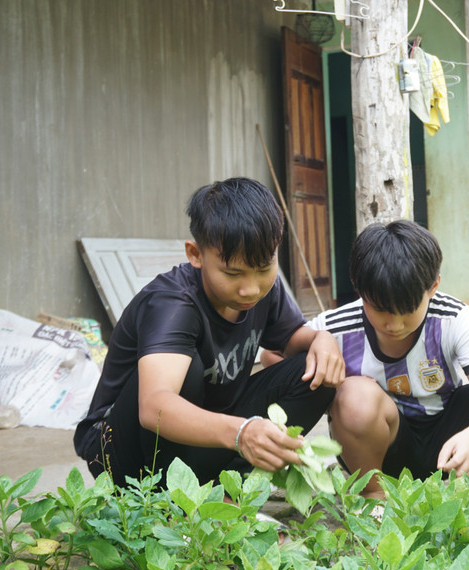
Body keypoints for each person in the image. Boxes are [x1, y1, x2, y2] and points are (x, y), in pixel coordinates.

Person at [73, 177, 345, 487]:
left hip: (203, 437)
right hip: (122, 451)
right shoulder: (173, 304)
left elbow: (293, 341)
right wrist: (242, 432)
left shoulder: (263, 290)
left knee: (314, 374)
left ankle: (231, 488)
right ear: (195, 254)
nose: (250, 289)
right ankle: (172, 502)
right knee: (185, 370)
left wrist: (321, 340)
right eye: (233, 273)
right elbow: (153, 407)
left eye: (264, 268)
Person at [309, 220, 469, 498]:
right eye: (381, 310)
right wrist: (317, 344)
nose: (395, 325)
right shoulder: (334, 327)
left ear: (433, 286)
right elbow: (276, 356)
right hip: (383, 449)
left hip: (450, 436)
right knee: (353, 395)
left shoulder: (453, 317)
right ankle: (374, 498)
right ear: (360, 290)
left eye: (408, 311)